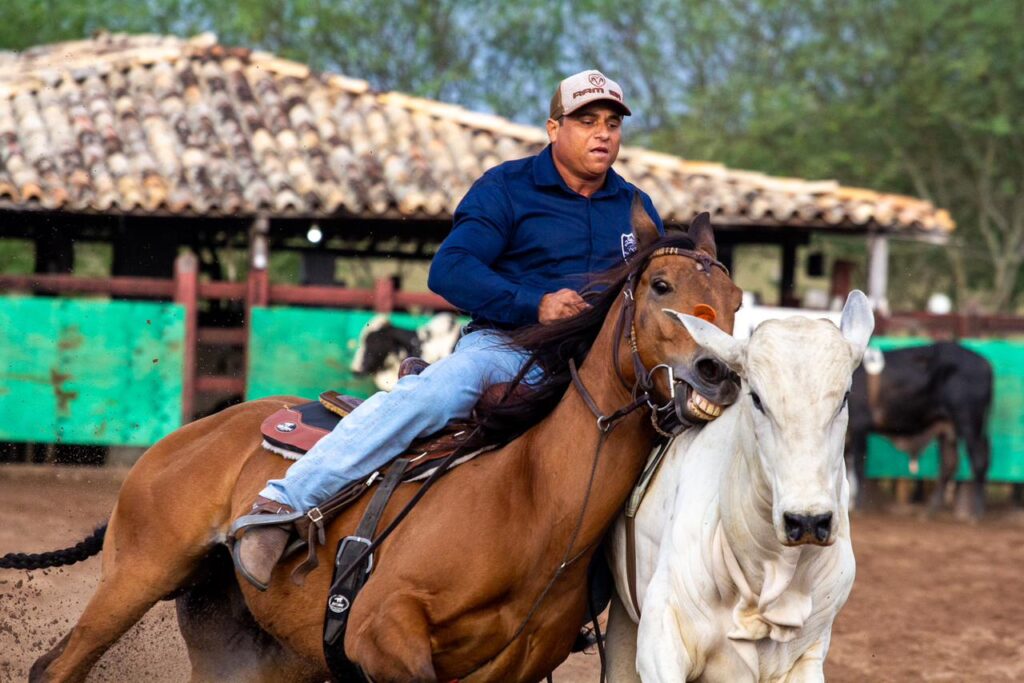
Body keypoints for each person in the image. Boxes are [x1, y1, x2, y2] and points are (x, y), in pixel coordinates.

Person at [232, 69, 664, 594]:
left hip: (601, 370)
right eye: (587, 121)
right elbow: (451, 270)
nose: (603, 133)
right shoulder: (507, 187)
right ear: (554, 128)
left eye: (612, 124)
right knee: (442, 388)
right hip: (510, 349)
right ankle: (283, 503)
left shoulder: (635, 207)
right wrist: (536, 304)